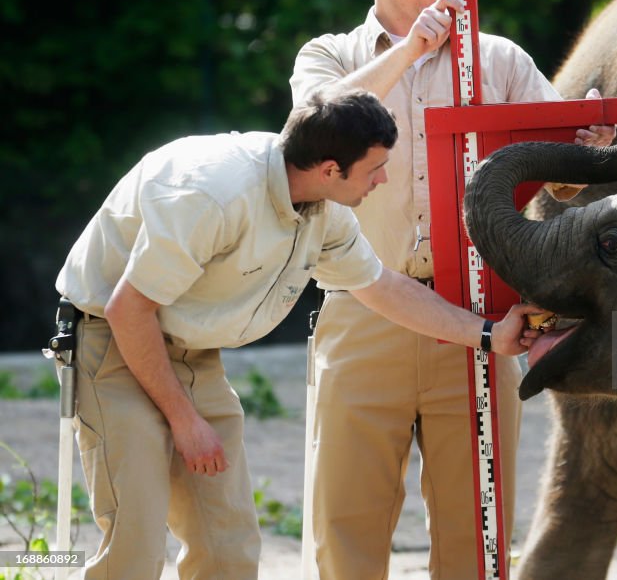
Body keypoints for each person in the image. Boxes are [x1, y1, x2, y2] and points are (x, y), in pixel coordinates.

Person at [54, 90, 543, 580]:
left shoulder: (323, 207)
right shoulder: (213, 196)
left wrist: (487, 335)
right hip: (114, 341)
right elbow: (128, 308)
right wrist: (185, 421)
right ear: (331, 169)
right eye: (375, 169)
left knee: (228, 547)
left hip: (188, 349)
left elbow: (383, 288)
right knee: (134, 548)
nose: (384, 179)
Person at [289, 0, 615, 578]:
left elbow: (560, 180)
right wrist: (412, 51)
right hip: (363, 307)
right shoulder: (329, 54)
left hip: (478, 313)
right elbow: (318, 129)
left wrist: (585, 145)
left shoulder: (495, 60)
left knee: (478, 532)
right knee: (346, 523)